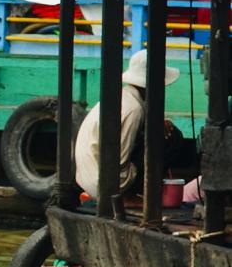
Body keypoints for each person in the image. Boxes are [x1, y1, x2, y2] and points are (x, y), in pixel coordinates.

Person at [71, 48, 173, 202]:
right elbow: (119, 162)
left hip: (90, 176)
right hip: (105, 184)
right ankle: (128, 197)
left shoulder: (124, 97)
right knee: (172, 139)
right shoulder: (134, 109)